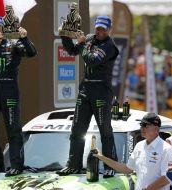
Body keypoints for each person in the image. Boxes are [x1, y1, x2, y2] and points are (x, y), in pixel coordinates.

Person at [57, 15, 119, 177]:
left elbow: (92, 60)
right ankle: (73, 165)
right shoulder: (90, 39)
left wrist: (83, 43)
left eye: (103, 29)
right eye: (98, 28)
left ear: (109, 30)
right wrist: (64, 36)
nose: (100, 32)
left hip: (101, 91)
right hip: (85, 90)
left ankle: (110, 165)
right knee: (77, 129)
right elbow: (72, 50)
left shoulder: (109, 45)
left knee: (105, 130)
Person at [0, 16, 37, 176]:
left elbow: (32, 53)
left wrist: (25, 38)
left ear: (4, 28)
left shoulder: (14, 44)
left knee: (13, 128)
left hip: (9, 88)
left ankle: (16, 165)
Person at [94, 113, 172, 190]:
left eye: (145, 125)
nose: (142, 128)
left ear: (156, 129)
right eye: (141, 125)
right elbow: (127, 169)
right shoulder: (139, 146)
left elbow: (168, 177)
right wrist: (101, 157)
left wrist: (148, 189)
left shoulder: (166, 149)